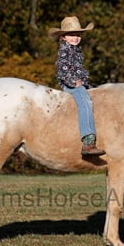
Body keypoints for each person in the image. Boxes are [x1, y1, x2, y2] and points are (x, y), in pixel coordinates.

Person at [49, 16, 105, 156]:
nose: (75, 38)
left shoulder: (77, 50)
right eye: (71, 35)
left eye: (78, 35)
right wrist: (74, 82)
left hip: (81, 83)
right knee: (85, 101)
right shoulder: (64, 51)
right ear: (63, 37)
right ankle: (88, 142)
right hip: (71, 84)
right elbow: (62, 71)